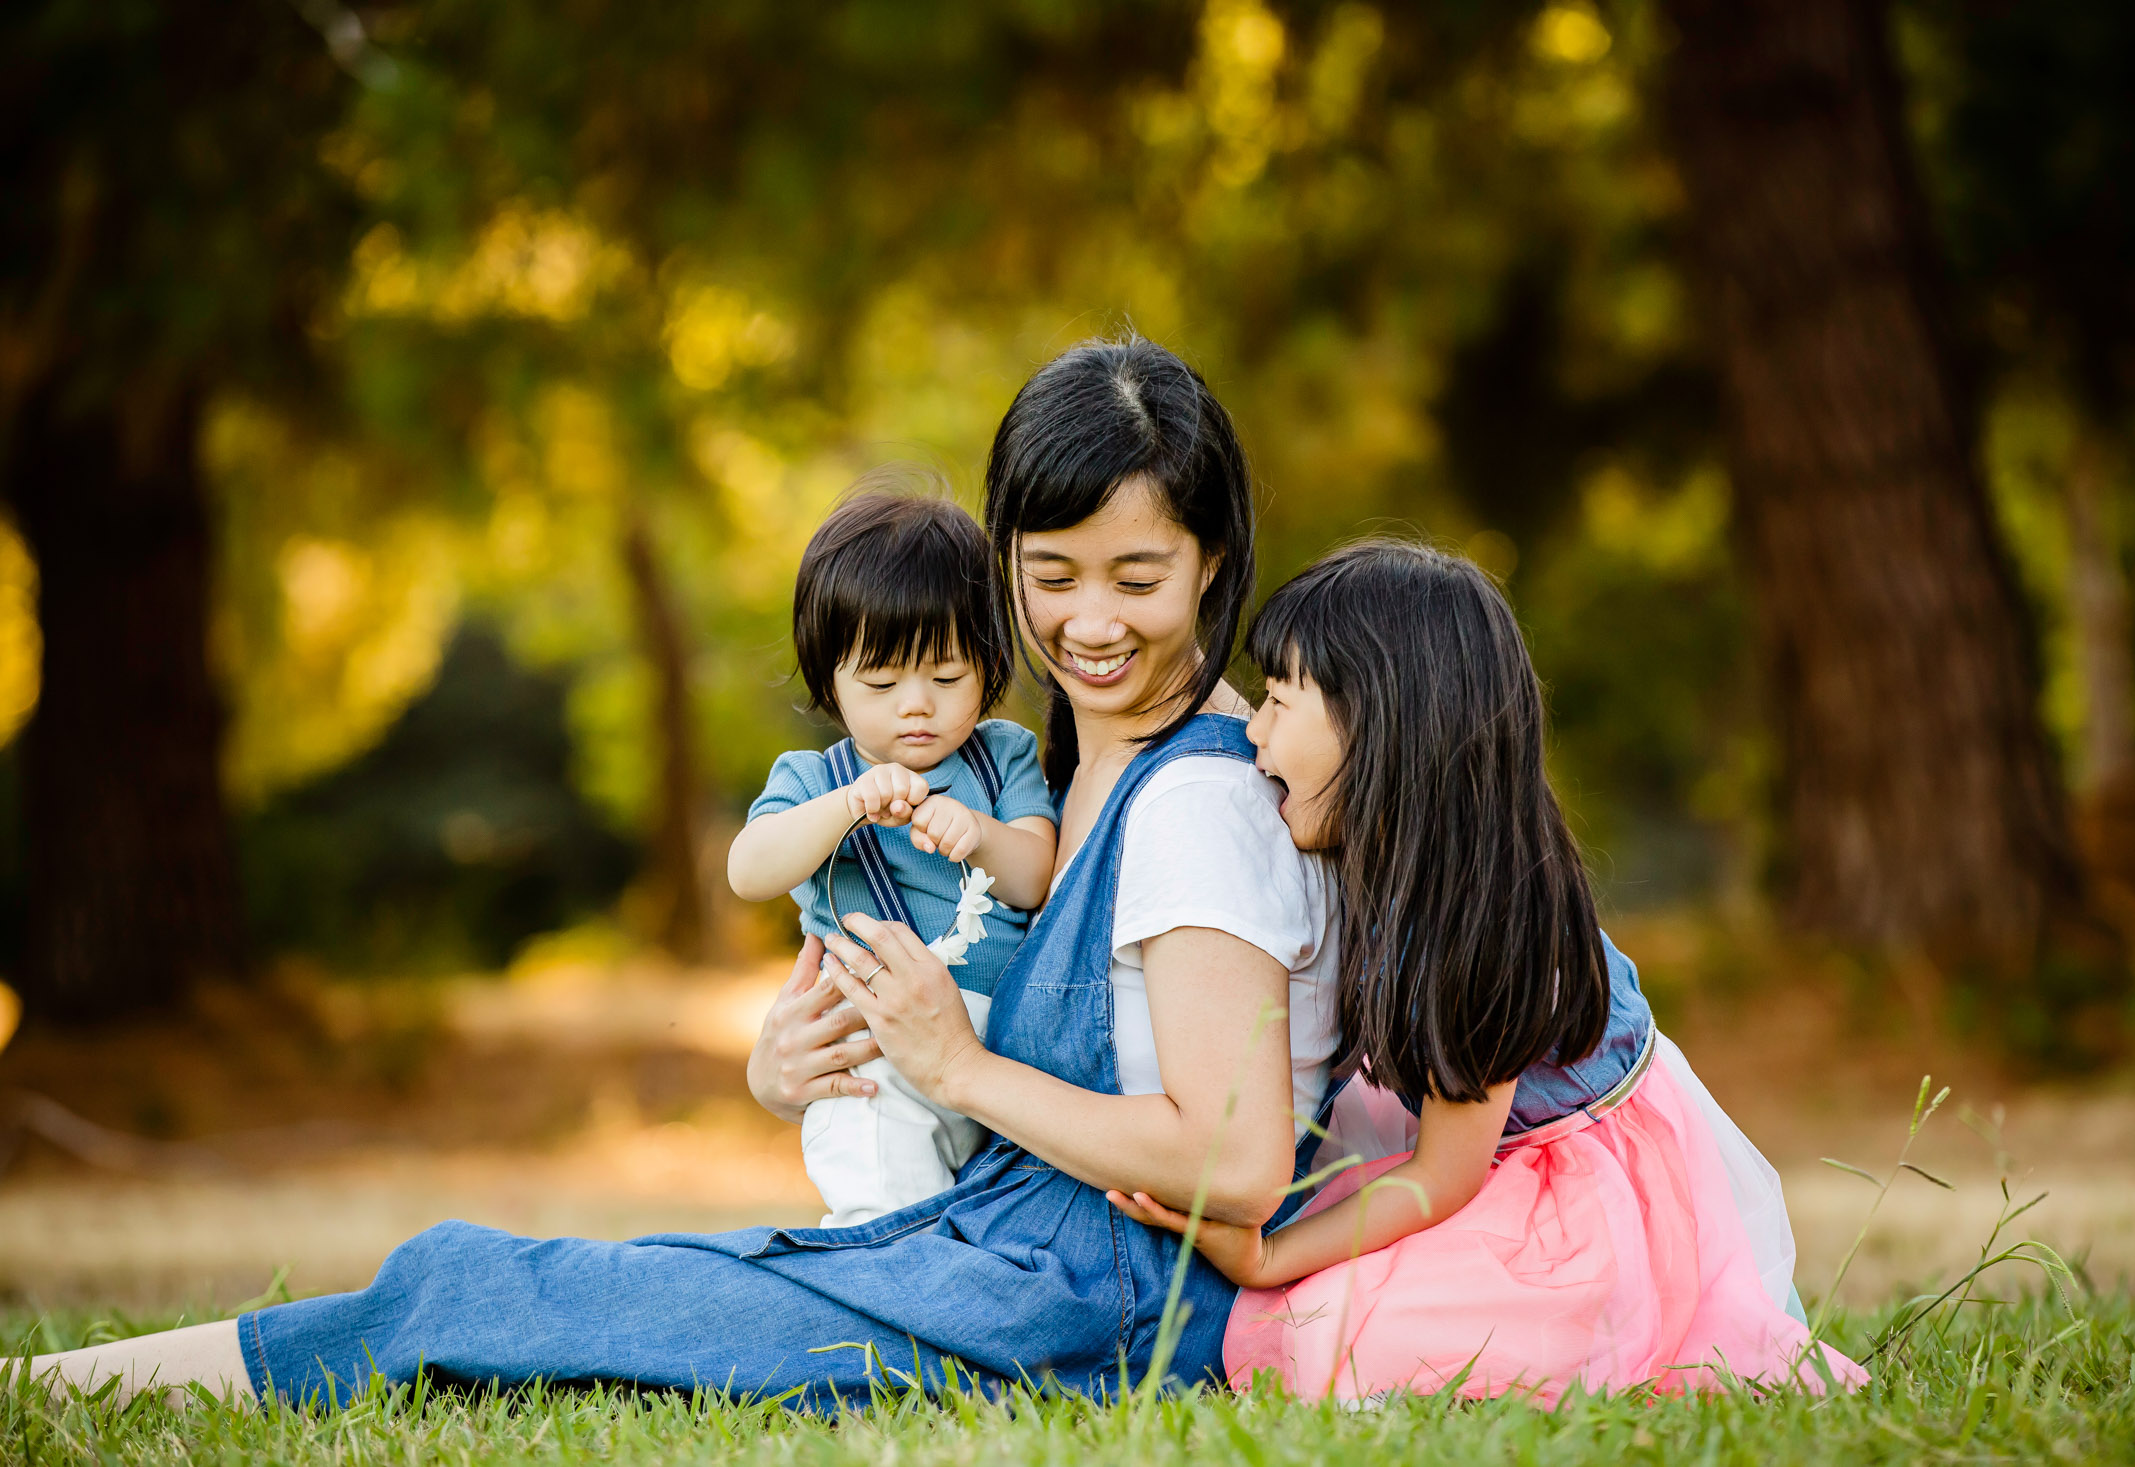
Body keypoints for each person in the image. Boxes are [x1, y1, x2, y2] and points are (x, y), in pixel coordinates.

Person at [9, 335, 1339, 1410]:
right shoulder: (1067, 767)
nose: (1091, 622)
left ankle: (64, 1387)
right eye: (1051, 574)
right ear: (1003, 563)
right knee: (523, 1287)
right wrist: (809, 1065)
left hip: (1076, 1303)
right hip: (1007, 1255)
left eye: (1139, 576)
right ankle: (69, 1385)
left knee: (511, 1298)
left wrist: (961, 1068)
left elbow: (1236, 1157)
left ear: (1214, 561)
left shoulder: (1198, 804)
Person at [1107, 540, 1868, 1404]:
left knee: (1330, 1338)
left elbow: (1441, 1174)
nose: (1254, 732)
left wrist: (1269, 1254)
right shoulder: (1395, 846)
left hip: (1570, 1185)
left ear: (1380, 726)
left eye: (1280, 701)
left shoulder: (1490, 917)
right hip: (1475, 1139)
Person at [727, 489, 1058, 1227]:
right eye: (881, 683)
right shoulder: (816, 781)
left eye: (946, 677)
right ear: (830, 680)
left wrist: (977, 830)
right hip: (873, 1053)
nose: (917, 705)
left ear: (990, 662)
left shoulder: (1002, 758)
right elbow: (748, 870)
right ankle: (887, 1297)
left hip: (1006, 1055)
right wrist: (846, 808)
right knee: (884, 1195)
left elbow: (1038, 874)